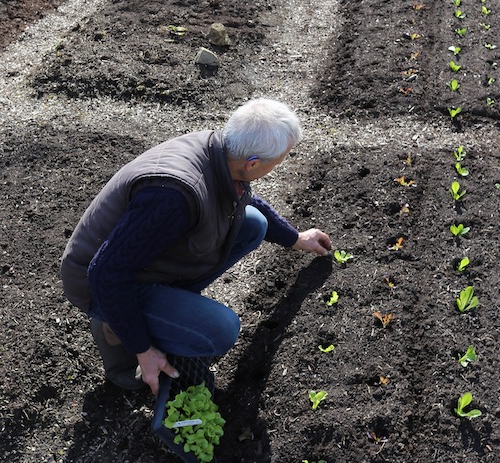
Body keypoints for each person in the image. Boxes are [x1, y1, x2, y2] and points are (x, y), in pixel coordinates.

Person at [61, 99, 332, 395]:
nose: (280, 163)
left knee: (253, 223)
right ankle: (115, 332)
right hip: (98, 281)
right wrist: (143, 349)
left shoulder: (221, 151)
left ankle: (163, 313)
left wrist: (296, 238)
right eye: (280, 159)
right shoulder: (174, 197)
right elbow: (106, 272)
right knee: (220, 330)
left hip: (136, 261)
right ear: (252, 163)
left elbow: (242, 201)